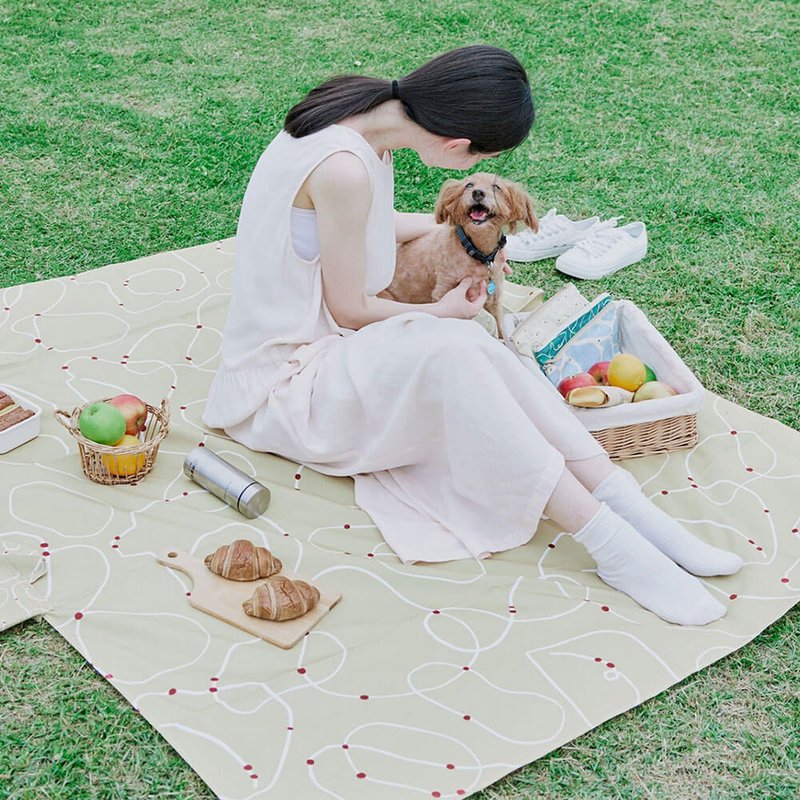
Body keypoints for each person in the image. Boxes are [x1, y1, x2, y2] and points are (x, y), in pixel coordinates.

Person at [203, 45, 742, 625]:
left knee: (477, 350)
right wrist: (441, 314)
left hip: (320, 344)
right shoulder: (346, 168)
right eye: (480, 159)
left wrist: (466, 237)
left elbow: (363, 225)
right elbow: (349, 307)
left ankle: (625, 507)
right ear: (459, 146)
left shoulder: (358, 116)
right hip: (287, 380)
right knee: (455, 351)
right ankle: (613, 545)